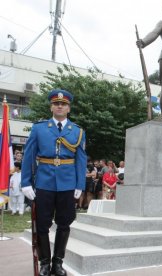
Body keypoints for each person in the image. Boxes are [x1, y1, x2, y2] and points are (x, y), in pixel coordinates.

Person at [21, 89, 87, 276]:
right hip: (44, 183)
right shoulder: (39, 128)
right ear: (51, 106)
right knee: (42, 224)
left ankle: (58, 263)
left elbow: (81, 160)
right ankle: (44, 263)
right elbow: (29, 156)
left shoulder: (77, 131)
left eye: (63, 104)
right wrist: (26, 182)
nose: (59, 106)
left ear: (68, 108)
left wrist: (79, 184)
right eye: (56, 103)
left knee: (64, 224)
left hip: (67, 184)